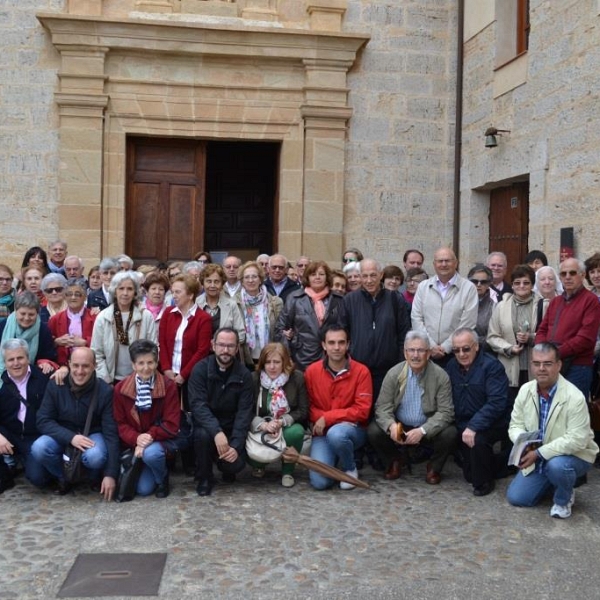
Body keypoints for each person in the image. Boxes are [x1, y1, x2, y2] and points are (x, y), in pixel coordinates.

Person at [506, 343, 598, 518]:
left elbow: (577, 439)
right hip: (539, 454)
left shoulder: (574, 396)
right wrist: (523, 444)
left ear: (559, 365)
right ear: (531, 365)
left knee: (557, 466)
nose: (541, 369)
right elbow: (515, 425)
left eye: (547, 363)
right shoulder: (525, 390)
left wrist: (539, 453)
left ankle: (563, 498)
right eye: (536, 363)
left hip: (575, 455)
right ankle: (556, 481)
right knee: (517, 498)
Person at [368, 331, 456, 484]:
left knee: (450, 433)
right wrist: (392, 426)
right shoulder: (393, 374)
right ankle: (394, 460)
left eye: (421, 350)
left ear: (428, 353)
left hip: (427, 426)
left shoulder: (440, 376)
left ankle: (433, 467)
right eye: (411, 350)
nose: (416, 355)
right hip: (401, 425)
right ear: (405, 353)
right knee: (373, 430)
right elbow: (382, 407)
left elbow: (446, 412)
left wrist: (423, 430)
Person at [31, 347, 119, 499]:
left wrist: (111, 474)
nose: (80, 371)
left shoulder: (105, 391)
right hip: (63, 432)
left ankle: (92, 477)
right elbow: (43, 420)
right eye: (76, 365)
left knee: (96, 456)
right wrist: (70, 437)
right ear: (69, 364)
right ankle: (64, 477)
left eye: (85, 366)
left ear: (94, 366)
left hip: (92, 432)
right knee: (39, 447)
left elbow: (111, 433)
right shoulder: (56, 384)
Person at [304, 325, 372, 490]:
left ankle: (349, 467)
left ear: (348, 344)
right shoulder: (312, 371)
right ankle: (334, 458)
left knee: (337, 434)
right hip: (323, 433)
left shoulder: (362, 371)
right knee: (320, 483)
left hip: (352, 430)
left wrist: (327, 418)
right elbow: (308, 406)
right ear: (323, 345)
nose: (336, 347)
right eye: (331, 342)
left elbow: (362, 411)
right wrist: (322, 420)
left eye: (341, 342)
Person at [188, 328, 254, 497]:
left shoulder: (244, 375)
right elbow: (198, 406)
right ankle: (205, 477)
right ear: (213, 345)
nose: (225, 350)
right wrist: (216, 432)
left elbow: (244, 413)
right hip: (208, 426)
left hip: (231, 427)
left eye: (230, 346)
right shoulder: (200, 370)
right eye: (222, 345)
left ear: (237, 348)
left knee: (235, 464)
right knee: (202, 435)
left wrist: (236, 445)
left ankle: (226, 468)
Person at [446, 328, 511, 496]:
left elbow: (497, 403)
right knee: (469, 474)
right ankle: (500, 464)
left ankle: (485, 482)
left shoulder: (492, 366)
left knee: (477, 470)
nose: (461, 354)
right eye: (456, 350)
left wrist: (474, 426)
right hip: (464, 423)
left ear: (476, 346)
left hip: (492, 422)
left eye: (466, 349)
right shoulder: (451, 366)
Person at [113, 339, 180, 498]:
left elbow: (171, 423)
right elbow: (120, 423)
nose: (146, 368)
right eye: (141, 363)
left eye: (150, 362)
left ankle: (162, 477)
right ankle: (147, 467)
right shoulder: (120, 389)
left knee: (151, 455)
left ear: (156, 363)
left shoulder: (168, 386)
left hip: (158, 441)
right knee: (143, 490)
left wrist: (148, 437)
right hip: (134, 443)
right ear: (133, 365)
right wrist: (137, 439)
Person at [343, 258, 410, 397]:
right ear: (360, 277)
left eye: (373, 275)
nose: (369, 280)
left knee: (385, 411)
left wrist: (399, 364)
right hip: (358, 371)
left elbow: (404, 334)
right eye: (365, 276)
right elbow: (343, 333)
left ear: (381, 275)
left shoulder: (395, 300)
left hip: (389, 370)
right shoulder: (349, 300)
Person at [535, 257, 600, 397]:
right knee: (549, 410)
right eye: (564, 274)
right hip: (551, 364)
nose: (568, 277)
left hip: (578, 367)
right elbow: (542, 330)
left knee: (572, 413)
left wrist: (553, 353)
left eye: (572, 273)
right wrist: (543, 351)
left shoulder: (591, 301)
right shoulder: (556, 301)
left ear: (582, 275)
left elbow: (585, 338)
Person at [249, 343, 308, 487]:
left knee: (296, 432)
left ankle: (287, 471)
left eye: (276, 362)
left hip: (285, 424)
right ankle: (259, 464)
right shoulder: (254, 379)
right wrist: (263, 425)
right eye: (268, 362)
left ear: (285, 362)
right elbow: (246, 410)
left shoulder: (296, 378)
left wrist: (281, 422)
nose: (272, 367)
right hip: (261, 425)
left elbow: (303, 410)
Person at [411, 246, 478, 367]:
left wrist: (446, 347)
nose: (443, 264)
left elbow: (467, 323)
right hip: (427, 353)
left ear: (456, 263)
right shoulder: (423, 287)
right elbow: (416, 318)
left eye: (448, 260)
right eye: (440, 261)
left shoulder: (468, 288)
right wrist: (430, 346)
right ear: (434, 264)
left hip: (456, 354)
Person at [0, 339, 50, 492]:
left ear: (28, 358)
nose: (16, 363)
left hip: (33, 436)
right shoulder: (1, 383)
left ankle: (18, 460)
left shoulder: (43, 378)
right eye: (11, 359)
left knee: (39, 479)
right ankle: (8, 466)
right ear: (5, 362)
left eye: (20, 358)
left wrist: (62, 369)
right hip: (8, 434)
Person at [276, 260, 345, 372]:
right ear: (307, 277)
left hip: (332, 355)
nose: (317, 277)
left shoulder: (338, 299)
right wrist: (288, 349)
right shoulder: (295, 298)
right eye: (313, 274)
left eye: (321, 274)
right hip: (302, 356)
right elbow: (280, 328)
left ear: (327, 277)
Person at [91, 271, 157, 384]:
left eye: (130, 289)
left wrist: (144, 374)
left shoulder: (146, 316)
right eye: (121, 288)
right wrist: (106, 381)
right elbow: (96, 353)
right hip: (111, 381)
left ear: (135, 292)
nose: (125, 293)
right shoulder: (103, 317)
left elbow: (154, 349)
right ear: (114, 292)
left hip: (141, 380)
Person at [487, 265, 540, 406]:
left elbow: (550, 335)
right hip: (509, 368)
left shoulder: (543, 305)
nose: (521, 286)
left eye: (526, 282)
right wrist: (509, 348)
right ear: (512, 285)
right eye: (517, 283)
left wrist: (531, 338)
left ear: (532, 285)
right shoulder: (501, 306)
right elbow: (492, 337)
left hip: (535, 368)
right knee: (511, 411)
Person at [159, 274, 212, 409]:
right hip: (168, 373)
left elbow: (202, 350)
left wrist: (183, 374)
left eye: (178, 292)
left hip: (192, 375)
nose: (174, 296)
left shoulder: (203, 318)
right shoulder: (168, 313)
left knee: (189, 411)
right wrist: (166, 369)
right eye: (172, 292)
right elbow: (162, 342)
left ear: (190, 295)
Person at [0, 292, 58, 377]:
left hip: (31, 376)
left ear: (37, 314)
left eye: (31, 314)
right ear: (16, 311)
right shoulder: (3, 326)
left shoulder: (43, 330)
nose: (26, 318)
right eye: (23, 314)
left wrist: (45, 362)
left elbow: (48, 356)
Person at [237, 261, 283, 367]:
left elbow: (280, 330)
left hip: (270, 357)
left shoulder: (275, 302)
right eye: (247, 277)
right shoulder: (234, 303)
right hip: (245, 358)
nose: (251, 280)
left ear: (260, 279)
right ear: (242, 281)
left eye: (254, 276)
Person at [48, 278, 96, 370]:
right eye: (69, 294)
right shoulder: (55, 319)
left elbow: (102, 343)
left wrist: (85, 342)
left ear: (85, 296)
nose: (73, 297)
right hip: (62, 367)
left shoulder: (95, 317)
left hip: (90, 366)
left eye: (77, 294)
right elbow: (47, 345)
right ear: (65, 297)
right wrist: (56, 342)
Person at [196, 264, 246, 342]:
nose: (212, 285)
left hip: (225, 351)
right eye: (209, 281)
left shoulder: (231, 305)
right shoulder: (195, 304)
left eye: (216, 282)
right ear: (203, 283)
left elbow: (241, 334)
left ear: (222, 284)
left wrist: (222, 344)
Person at [467, 264, 494, 350]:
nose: (478, 284)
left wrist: (471, 342)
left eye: (483, 282)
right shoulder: (460, 303)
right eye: (475, 281)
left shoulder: (494, 307)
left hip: (484, 352)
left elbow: (493, 336)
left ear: (489, 284)